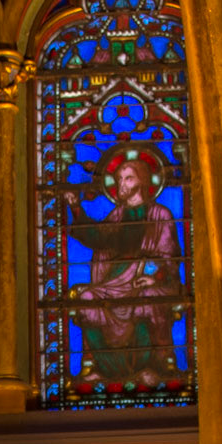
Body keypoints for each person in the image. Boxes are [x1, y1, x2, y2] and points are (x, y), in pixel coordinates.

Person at [66, 153, 183, 389]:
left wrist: (155, 277)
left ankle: (152, 366)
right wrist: (76, 208)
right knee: (86, 299)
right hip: (115, 282)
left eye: (128, 178)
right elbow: (98, 238)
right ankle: (102, 368)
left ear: (142, 180)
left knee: (146, 301)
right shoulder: (118, 215)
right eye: (119, 179)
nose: (121, 184)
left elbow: (170, 257)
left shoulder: (161, 215)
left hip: (148, 280)